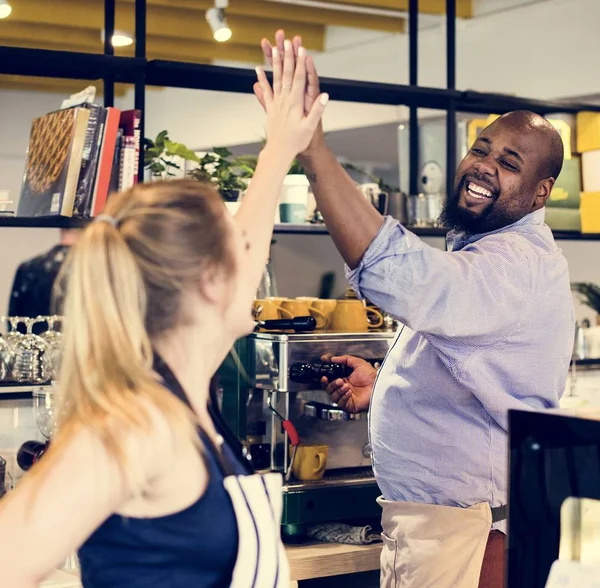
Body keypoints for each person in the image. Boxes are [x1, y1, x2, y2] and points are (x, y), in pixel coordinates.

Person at [0, 43, 328, 588]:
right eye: (241, 257)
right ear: (207, 282)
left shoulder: (188, 388)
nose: (256, 267)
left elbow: (248, 235)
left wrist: (281, 147)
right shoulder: (136, 424)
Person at [255, 31, 574, 588]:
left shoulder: (515, 262)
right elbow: (466, 366)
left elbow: (410, 280)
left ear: (541, 192)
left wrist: (314, 155)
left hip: (466, 534)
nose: (483, 166)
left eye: (509, 162)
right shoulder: (481, 254)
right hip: (440, 522)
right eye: (481, 149)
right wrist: (380, 385)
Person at [8, 228, 80, 333]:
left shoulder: (29, 268)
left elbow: (15, 326)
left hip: (33, 346)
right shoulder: (95, 271)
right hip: (80, 345)